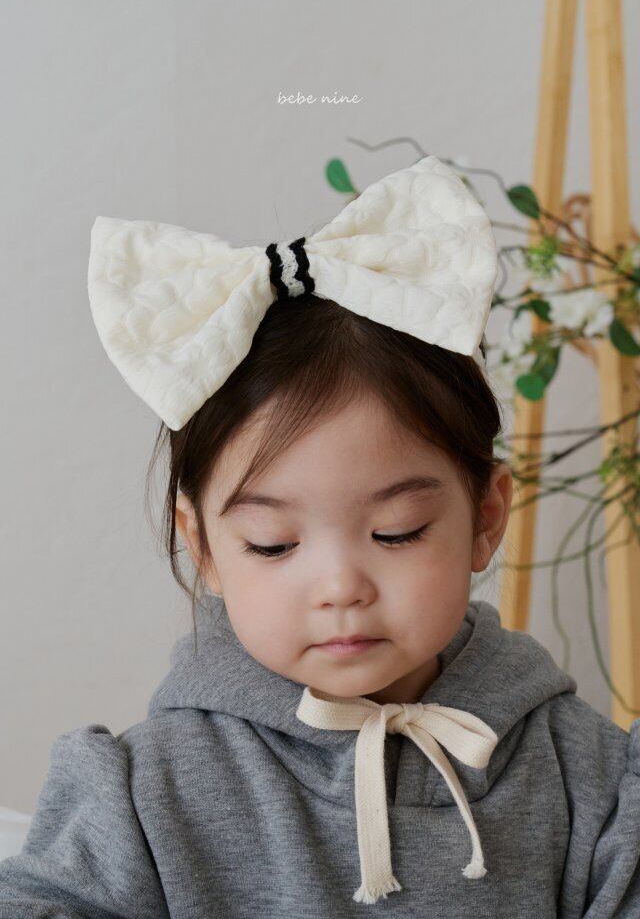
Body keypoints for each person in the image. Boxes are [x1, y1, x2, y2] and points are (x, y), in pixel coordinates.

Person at [1, 156, 638, 917]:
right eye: (273, 544)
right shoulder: (139, 795)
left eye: (397, 532)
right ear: (202, 547)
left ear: (486, 518)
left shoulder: (590, 777)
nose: (341, 587)